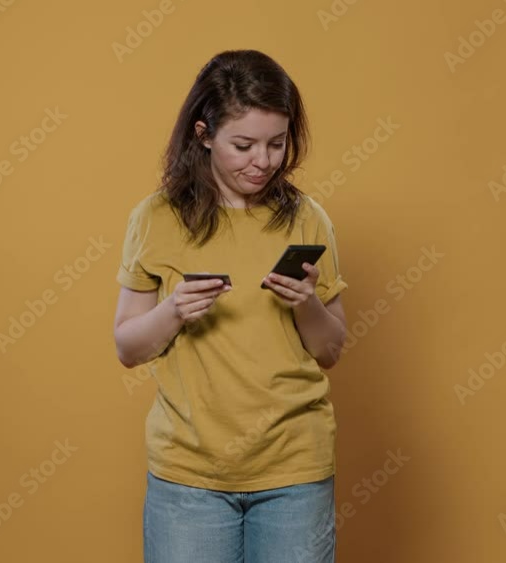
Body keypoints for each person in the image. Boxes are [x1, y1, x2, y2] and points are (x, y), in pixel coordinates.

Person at [113, 49, 349, 563]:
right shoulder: (155, 218)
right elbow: (128, 348)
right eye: (243, 145)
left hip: (295, 471)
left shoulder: (307, 218)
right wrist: (173, 311)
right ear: (204, 135)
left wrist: (307, 303)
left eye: (276, 144)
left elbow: (331, 349)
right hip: (188, 476)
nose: (263, 161)